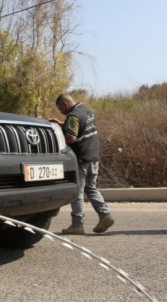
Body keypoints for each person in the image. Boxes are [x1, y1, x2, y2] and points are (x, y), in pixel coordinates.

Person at [49, 94, 114, 235]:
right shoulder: (86, 111)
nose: (61, 112)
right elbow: (81, 128)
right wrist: (62, 124)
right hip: (93, 156)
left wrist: (56, 134)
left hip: (81, 159)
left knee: (77, 191)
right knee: (91, 188)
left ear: (66, 105)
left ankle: (77, 224)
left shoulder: (73, 116)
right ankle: (105, 215)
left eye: (61, 109)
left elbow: (71, 138)